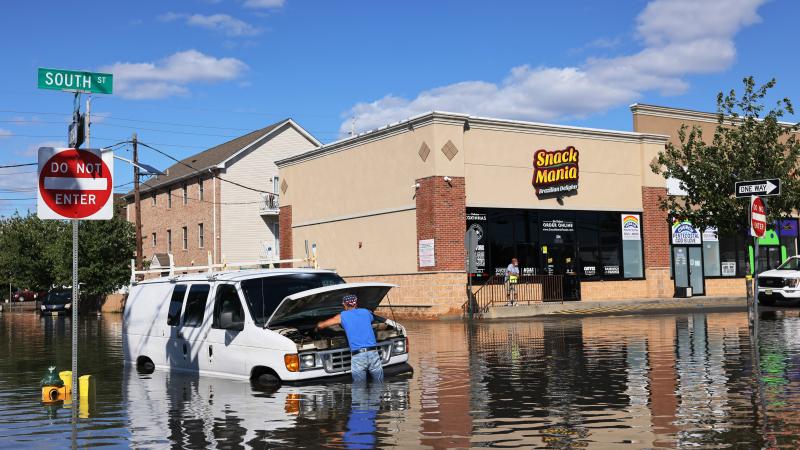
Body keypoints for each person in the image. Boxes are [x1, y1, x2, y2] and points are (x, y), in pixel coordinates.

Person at [317, 294, 384, 382]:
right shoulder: (365, 312)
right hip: (373, 353)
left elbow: (322, 325)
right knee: (379, 383)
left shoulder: (342, 316)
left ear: (344, 305)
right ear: (356, 304)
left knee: (359, 389)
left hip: (358, 356)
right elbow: (371, 319)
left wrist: (317, 327)